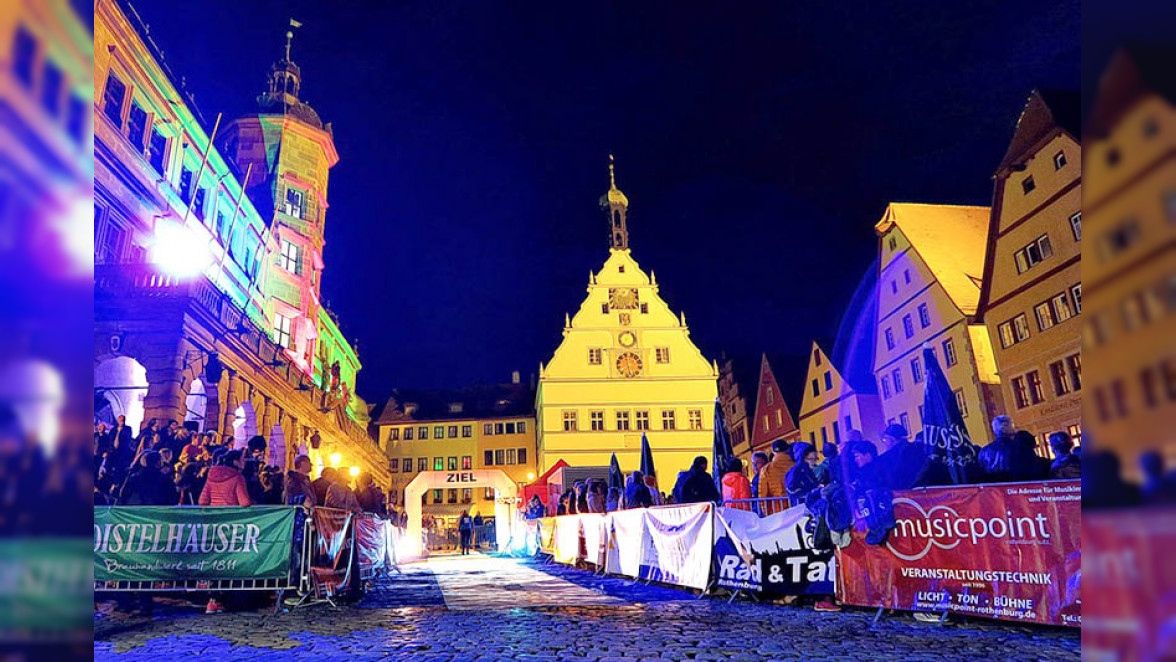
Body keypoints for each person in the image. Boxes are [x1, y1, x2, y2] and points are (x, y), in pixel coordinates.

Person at [976, 417, 1046, 483]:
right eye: (1012, 425)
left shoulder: (984, 452)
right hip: (1022, 489)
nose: (1015, 428)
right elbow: (1034, 470)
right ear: (1006, 428)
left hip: (998, 492)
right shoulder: (1020, 448)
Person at [869, 424, 929, 491]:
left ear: (892, 439)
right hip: (922, 492)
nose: (884, 443)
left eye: (885, 439)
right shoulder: (920, 450)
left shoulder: (884, 459)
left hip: (898, 496)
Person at [758, 440, 795, 514]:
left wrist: (766, 512)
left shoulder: (766, 469)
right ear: (787, 449)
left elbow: (763, 494)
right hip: (795, 509)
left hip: (776, 510)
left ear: (773, 452)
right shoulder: (796, 466)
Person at [785, 442, 821, 507]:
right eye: (810, 459)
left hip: (810, 504)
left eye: (815, 459)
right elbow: (791, 489)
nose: (814, 461)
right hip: (801, 506)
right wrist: (809, 493)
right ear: (802, 458)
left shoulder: (809, 470)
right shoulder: (796, 471)